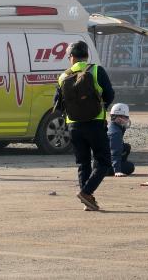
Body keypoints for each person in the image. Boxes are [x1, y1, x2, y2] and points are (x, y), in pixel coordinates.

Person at [52, 39, 115, 211]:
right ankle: (86, 192)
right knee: (103, 162)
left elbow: (57, 103)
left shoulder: (64, 76)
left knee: (83, 163)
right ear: (87, 56)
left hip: (74, 126)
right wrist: (101, 107)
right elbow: (110, 94)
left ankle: (86, 199)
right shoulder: (96, 70)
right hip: (95, 123)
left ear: (71, 57)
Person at [107, 103, 135, 176]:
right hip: (104, 166)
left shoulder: (111, 126)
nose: (127, 119)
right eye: (125, 117)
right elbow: (115, 152)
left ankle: (118, 165)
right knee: (130, 167)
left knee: (126, 147)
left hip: (102, 160)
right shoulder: (115, 132)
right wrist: (117, 170)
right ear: (119, 118)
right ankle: (115, 169)